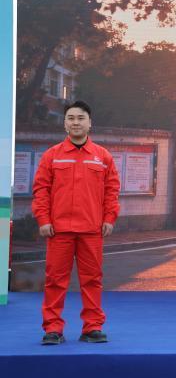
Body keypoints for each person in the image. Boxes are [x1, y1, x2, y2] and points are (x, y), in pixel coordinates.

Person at [32, 101, 120, 345]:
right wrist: (43, 219)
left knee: (92, 280)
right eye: (71, 118)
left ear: (90, 123)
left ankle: (92, 327)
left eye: (81, 118)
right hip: (58, 230)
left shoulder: (102, 157)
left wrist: (109, 218)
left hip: (92, 230)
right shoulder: (52, 156)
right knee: (55, 281)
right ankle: (53, 329)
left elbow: (112, 191)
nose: (76, 122)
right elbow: (41, 190)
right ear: (64, 124)